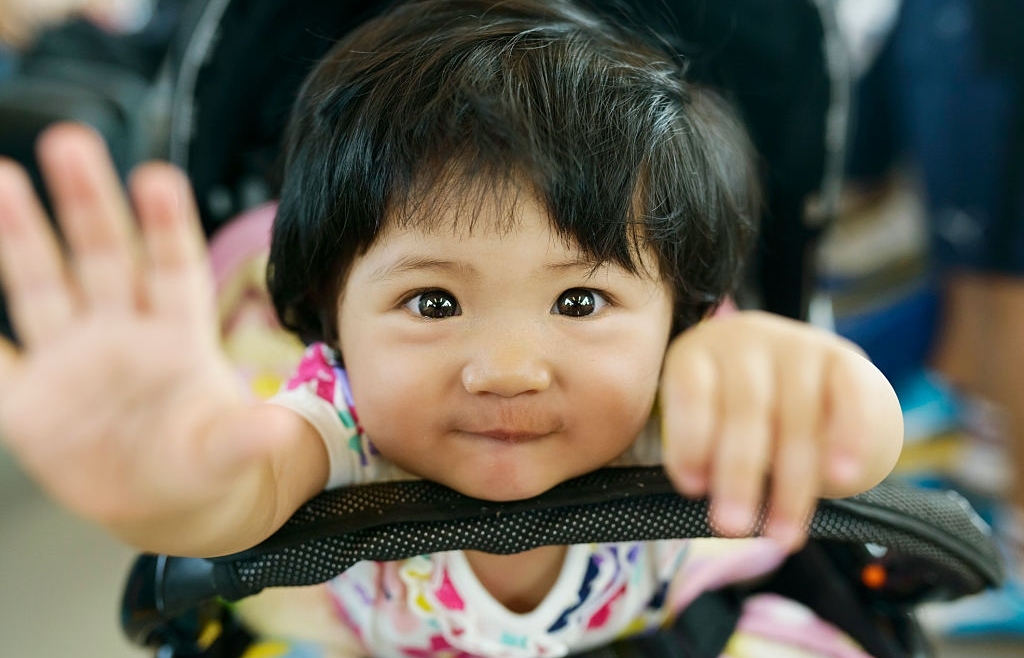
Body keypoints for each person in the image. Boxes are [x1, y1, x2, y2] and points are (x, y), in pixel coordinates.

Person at [0, 1, 904, 656]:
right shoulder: (340, 414)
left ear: (683, 313)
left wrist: (807, 377)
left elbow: (856, 458)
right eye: (433, 303)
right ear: (331, 317)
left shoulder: (686, 391)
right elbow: (248, 485)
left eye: (580, 302)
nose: (506, 369)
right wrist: (170, 486)